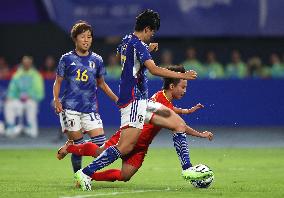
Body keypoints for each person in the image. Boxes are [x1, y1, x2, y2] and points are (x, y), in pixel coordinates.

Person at [73, 9, 205, 191]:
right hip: (134, 102)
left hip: (141, 102)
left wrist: (146, 50)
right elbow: (154, 70)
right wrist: (182, 75)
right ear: (147, 28)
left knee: (178, 124)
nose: (152, 36)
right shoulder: (138, 45)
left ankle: (187, 168)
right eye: (152, 32)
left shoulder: (127, 40)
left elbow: (125, 55)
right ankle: (86, 172)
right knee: (125, 147)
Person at [58, 65, 213, 185]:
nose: (185, 91)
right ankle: (70, 147)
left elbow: (171, 111)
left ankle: (89, 176)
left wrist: (186, 111)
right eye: (183, 87)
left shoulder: (163, 100)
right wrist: (201, 134)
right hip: (130, 135)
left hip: (141, 145)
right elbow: (179, 125)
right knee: (99, 152)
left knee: (125, 176)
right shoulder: (158, 100)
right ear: (172, 87)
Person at [53, 21, 118, 174]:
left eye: (89, 37)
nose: (86, 40)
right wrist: (56, 100)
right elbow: (58, 81)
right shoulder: (66, 59)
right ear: (75, 38)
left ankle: (70, 146)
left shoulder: (97, 60)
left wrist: (116, 99)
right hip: (70, 108)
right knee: (79, 145)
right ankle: (78, 175)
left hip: (90, 108)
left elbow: (102, 84)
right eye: (83, 37)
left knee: (101, 145)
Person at [4, 55, 44, 138]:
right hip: (18, 100)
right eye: (24, 62)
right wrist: (10, 97)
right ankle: (11, 127)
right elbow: (12, 90)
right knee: (8, 104)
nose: (26, 64)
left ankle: (31, 128)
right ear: (22, 63)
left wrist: (31, 96)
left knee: (31, 104)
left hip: (31, 100)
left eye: (28, 62)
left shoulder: (36, 75)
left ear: (31, 63)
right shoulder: (17, 75)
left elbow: (40, 93)